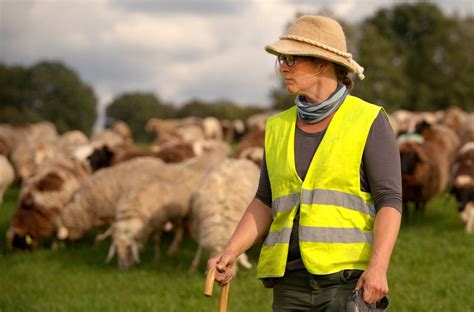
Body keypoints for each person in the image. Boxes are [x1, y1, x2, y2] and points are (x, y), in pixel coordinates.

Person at [207, 15, 402, 311]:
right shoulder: (276, 126)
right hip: (290, 283)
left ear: (322, 63)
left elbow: (389, 199)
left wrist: (379, 267)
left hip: (348, 283)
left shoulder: (369, 120)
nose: (283, 67)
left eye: (291, 59)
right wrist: (230, 252)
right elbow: (265, 199)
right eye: (281, 60)